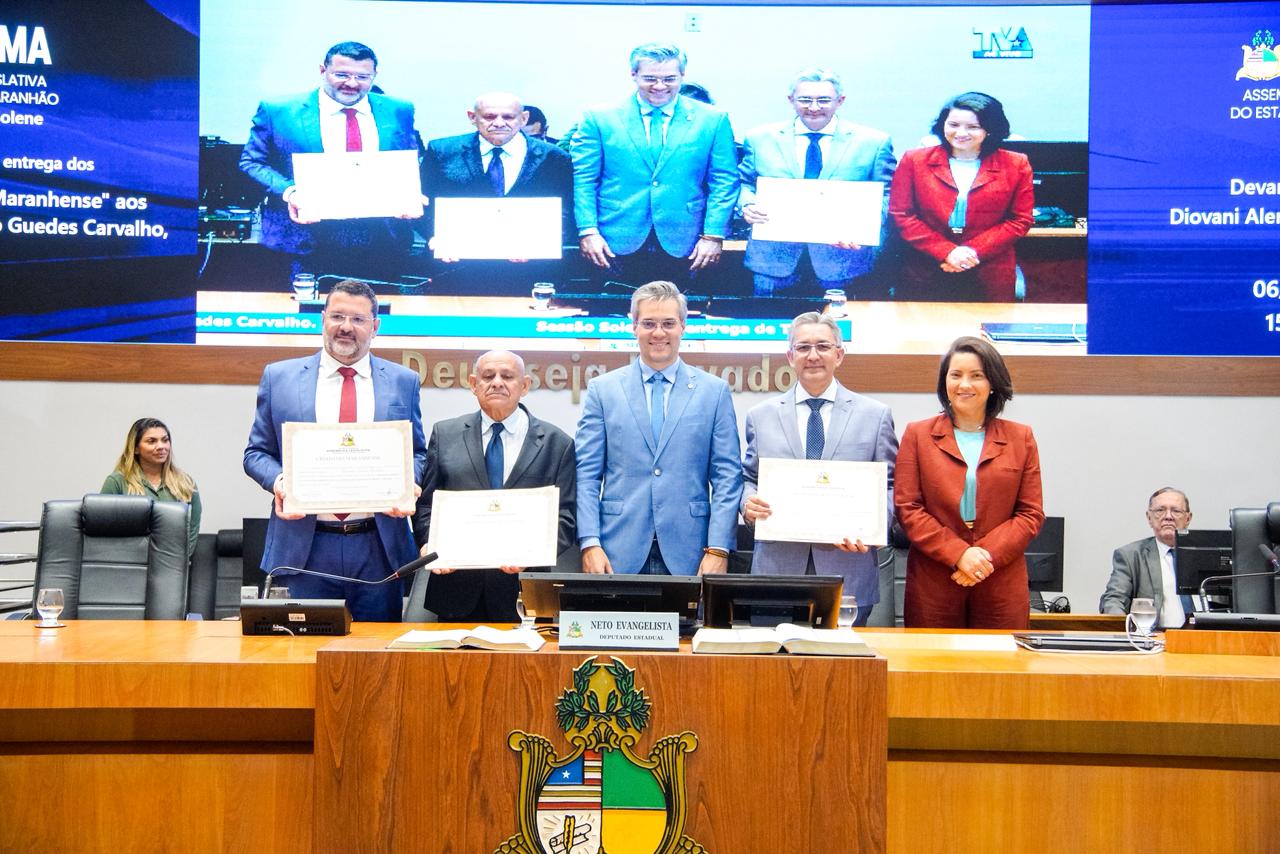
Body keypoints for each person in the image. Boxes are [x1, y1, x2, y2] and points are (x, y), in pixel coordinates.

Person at [243, 279, 426, 621]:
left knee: (375, 662)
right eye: (338, 316)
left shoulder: (403, 381)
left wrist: (409, 483)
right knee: (299, 657)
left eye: (357, 320)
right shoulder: (278, 377)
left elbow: (418, 452)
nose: (346, 327)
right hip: (304, 547)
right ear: (322, 319)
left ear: (375, 326)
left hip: (377, 546)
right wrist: (280, 481)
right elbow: (256, 453)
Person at [575, 281, 742, 575]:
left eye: (668, 323)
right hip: (615, 552)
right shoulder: (603, 390)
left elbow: (727, 477)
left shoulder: (713, 392)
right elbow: (586, 475)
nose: (659, 333)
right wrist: (589, 542)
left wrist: (718, 548)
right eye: (649, 323)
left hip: (692, 552)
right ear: (634, 326)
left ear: (683, 326)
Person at [741, 313, 897, 625]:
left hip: (847, 570)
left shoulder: (875, 416)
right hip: (777, 570)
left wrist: (873, 528)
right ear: (790, 356)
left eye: (823, 346)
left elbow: (890, 486)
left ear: (839, 355)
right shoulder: (760, 416)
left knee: (844, 671)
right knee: (775, 669)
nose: (813, 356)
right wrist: (748, 505)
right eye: (803, 348)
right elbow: (748, 479)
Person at [411, 350, 576, 622]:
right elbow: (427, 504)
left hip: (524, 591)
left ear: (524, 386)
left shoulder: (557, 443)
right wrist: (430, 543)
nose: (497, 382)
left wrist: (533, 553)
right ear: (474, 384)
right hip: (456, 591)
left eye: (507, 376)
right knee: (453, 666)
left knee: (523, 667)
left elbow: (566, 517)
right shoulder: (445, 434)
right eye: (488, 376)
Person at [894, 336, 1043, 629]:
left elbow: (1030, 514)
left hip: (999, 577)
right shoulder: (918, 435)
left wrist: (982, 557)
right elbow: (908, 508)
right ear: (944, 383)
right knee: (931, 670)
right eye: (956, 375)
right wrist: (959, 554)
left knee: (1001, 671)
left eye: (977, 376)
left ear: (992, 384)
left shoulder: (1020, 437)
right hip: (936, 579)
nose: (965, 384)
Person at [238, 41, 421, 278]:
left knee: (376, 313)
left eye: (363, 77)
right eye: (342, 74)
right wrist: (291, 193)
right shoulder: (278, 110)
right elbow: (252, 162)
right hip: (303, 241)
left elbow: (409, 159)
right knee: (304, 315)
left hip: (382, 242)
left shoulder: (400, 109)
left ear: (374, 75)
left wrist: (407, 192)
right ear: (322, 71)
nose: (352, 83)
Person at [571, 42, 738, 286]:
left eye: (670, 79)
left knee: (677, 316)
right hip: (612, 238)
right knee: (611, 316)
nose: (660, 87)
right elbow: (584, 179)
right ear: (633, 75)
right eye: (650, 78)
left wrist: (713, 235)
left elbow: (724, 180)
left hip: (686, 240)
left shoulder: (712, 119)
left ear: (683, 75)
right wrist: (588, 230)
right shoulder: (599, 118)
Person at [738, 69, 897, 297]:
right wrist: (747, 205)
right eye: (804, 99)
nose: (814, 107)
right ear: (791, 100)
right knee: (771, 328)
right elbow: (744, 184)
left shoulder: (873, 142)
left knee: (839, 331)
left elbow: (888, 194)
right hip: (772, 261)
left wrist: (862, 226)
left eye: (823, 100)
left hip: (843, 261)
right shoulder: (760, 138)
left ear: (840, 101)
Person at [419, 92, 574, 292]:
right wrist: (434, 236)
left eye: (508, 117)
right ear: (472, 117)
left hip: (530, 271)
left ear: (524, 118)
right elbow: (420, 202)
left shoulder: (554, 157)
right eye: (490, 117)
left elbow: (567, 211)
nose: (499, 123)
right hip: (456, 270)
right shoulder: (442, 151)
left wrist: (542, 243)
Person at [888, 92, 1033, 302]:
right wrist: (947, 251)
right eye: (953, 124)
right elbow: (901, 214)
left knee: (983, 333)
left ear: (990, 129)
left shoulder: (1016, 163)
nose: (960, 133)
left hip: (988, 269)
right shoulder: (914, 160)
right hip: (926, 267)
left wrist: (970, 252)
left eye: (973, 127)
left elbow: (1020, 219)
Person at [101, 417, 202, 557]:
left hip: (172, 565)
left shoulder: (186, 483)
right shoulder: (117, 481)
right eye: (152, 441)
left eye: (165, 440)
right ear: (136, 448)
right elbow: (103, 528)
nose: (161, 446)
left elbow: (192, 531)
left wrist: (180, 560)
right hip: (128, 564)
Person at [1100, 487, 1195, 628]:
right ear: (1149, 518)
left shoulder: (1209, 553)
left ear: (1188, 518)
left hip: (1206, 639)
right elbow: (1113, 600)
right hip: (1154, 640)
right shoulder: (1131, 556)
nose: (1168, 516)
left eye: (1176, 511)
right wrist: (1124, 631)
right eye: (1160, 510)